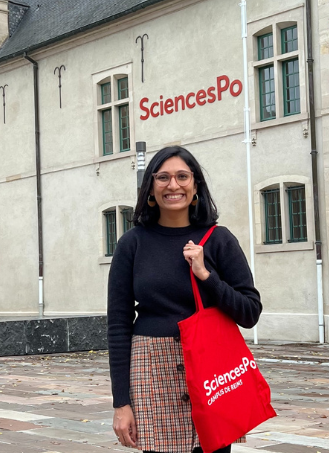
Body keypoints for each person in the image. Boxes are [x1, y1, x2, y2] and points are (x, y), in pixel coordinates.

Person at [107, 146, 262, 453]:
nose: (173, 185)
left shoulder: (219, 239)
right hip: (153, 370)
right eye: (162, 177)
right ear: (151, 187)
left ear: (195, 185)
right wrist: (121, 403)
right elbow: (118, 326)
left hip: (211, 367)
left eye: (182, 176)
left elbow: (250, 312)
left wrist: (207, 276)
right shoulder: (132, 244)